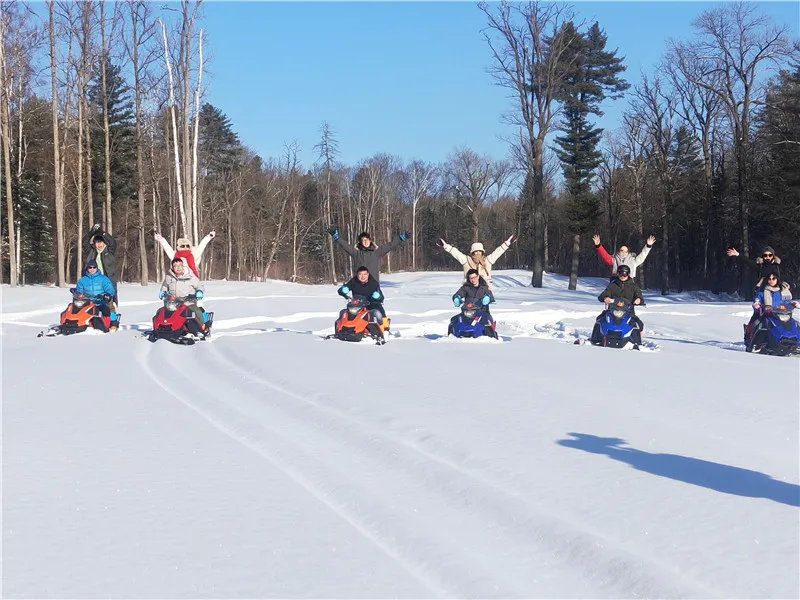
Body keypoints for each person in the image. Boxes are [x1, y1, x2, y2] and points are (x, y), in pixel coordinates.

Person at [327, 228, 408, 283]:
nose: (365, 242)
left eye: (367, 240)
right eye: (363, 240)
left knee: (376, 308)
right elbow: (345, 246)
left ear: (370, 240)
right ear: (360, 242)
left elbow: (390, 246)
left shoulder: (376, 253)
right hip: (359, 287)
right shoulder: (356, 253)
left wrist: (400, 238)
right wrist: (336, 238)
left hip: (373, 287)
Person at [746, 270, 796, 350]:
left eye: (774, 279)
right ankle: (753, 341)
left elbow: (787, 302)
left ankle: (794, 341)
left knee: (795, 324)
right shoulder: (762, 290)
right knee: (756, 324)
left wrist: (793, 304)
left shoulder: (783, 290)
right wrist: (757, 305)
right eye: (769, 279)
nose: (771, 281)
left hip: (781, 314)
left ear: (777, 279)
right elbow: (757, 300)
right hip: (767, 314)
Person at [437, 235, 515, 287]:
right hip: (469, 289)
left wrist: (507, 243)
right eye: (475, 251)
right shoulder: (466, 260)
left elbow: (498, 251)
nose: (477, 253)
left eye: (479, 251)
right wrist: (446, 246)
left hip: (484, 290)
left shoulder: (488, 260)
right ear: (472, 253)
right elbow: (456, 252)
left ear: (482, 252)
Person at [159, 256, 208, 333]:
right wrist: (162, 292)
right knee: (161, 312)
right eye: (175, 266)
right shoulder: (169, 277)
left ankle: (202, 329)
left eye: (179, 265)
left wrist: (199, 292)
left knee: (197, 311)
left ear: (183, 266)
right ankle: (161, 328)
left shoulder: (190, 276)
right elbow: (164, 286)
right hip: (173, 302)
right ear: (172, 267)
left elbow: (199, 285)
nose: (178, 268)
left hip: (188, 301)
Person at [596, 264, 644, 336]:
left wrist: (638, 299)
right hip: (612, 311)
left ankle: (637, 340)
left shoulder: (634, 287)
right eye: (621, 274)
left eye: (625, 274)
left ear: (628, 274)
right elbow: (602, 296)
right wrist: (605, 297)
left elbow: (639, 296)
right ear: (618, 273)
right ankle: (597, 337)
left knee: (639, 323)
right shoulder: (612, 285)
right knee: (600, 319)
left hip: (628, 312)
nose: (623, 276)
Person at [75, 259, 119, 330]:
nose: (92, 269)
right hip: (87, 303)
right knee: (75, 308)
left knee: (107, 309)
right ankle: (75, 323)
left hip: (101, 301)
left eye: (94, 267)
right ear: (87, 268)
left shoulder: (103, 279)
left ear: (97, 268)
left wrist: (107, 294)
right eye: (90, 267)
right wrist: (77, 293)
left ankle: (111, 324)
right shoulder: (83, 280)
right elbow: (79, 290)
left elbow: (110, 289)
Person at [84, 223, 118, 303]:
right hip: (93, 281)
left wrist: (102, 233)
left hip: (107, 281)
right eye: (97, 242)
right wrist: (91, 233)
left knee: (109, 305)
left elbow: (112, 242)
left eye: (101, 242)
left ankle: (111, 315)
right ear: (94, 243)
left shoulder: (109, 251)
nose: (99, 244)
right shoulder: (91, 251)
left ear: (104, 242)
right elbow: (84, 243)